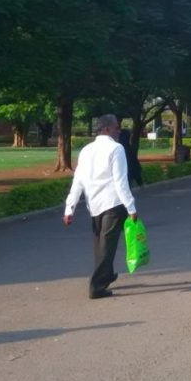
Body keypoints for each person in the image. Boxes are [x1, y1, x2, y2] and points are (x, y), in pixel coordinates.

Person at [63, 114, 138, 299]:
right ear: (106, 129)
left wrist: (69, 208)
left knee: (100, 245)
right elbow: (120, 182)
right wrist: (131, 207)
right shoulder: (116, 148)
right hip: (113, 203)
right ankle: (96, 287)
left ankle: (107, 274)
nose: (119, 131)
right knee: (107, 246)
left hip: (94, 203)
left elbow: (78, 180)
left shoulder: (86, 150)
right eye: (116, 128)